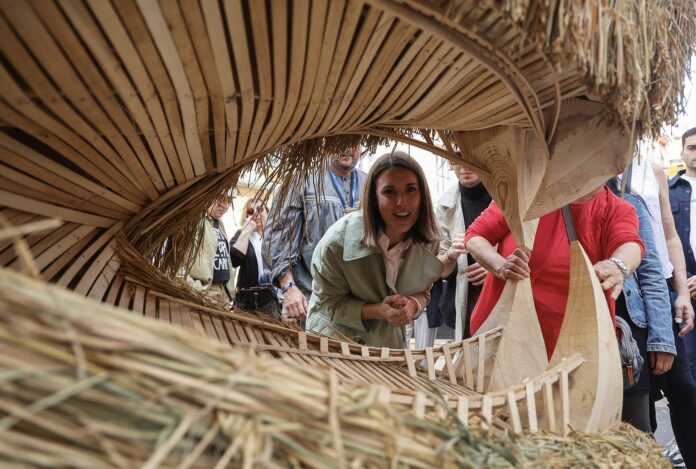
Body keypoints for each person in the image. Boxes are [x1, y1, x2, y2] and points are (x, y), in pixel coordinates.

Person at [465, 184, 644, 359]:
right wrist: (500, 266)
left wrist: (618, 265)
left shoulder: (617, 208)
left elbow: (630, 243)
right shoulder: (524, 196)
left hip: (575, 348)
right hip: (504, 337)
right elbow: (475, 236)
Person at [305, 152, 463, 348]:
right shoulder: (337, 244)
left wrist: (412, 305)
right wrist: (377, 310)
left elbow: (424, 291)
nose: (401, 202)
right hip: (337, 348)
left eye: (410, 190)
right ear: (373, 197)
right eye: (389, 192)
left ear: (422, 194)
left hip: (388, 350)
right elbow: (327, 304)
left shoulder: (428, 241)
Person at [264, 146, 367, 324]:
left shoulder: (371, 184)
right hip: (312, 302)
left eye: (355, 143)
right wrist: (288, 287)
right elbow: (278, 236)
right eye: (342, 141)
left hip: (361, 304)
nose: (348, 148)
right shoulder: (303, 180)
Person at [607, 179, 675, 434]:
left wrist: (661, 340)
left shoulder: (629, 203)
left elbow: (651, 274)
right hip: (578, 325)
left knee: (637, 430)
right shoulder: (554, 206)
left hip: (627, 333)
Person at [415, 158, 490, 348]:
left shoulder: (504, 197)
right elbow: (440, 269)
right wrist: (451, 254)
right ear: (449, 162)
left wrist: (495, 265)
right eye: (456, 158)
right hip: (463, 302)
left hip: (499, 298)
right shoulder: (444, 204)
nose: (465, 165)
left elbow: (524, 246)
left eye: (470, 157)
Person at [182, 193, 235, 305]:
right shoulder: (194, 222)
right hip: (206, 292)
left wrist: (228, 293)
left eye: (229, 201)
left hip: (223, 293)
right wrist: (196, 289)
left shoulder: (220, 224)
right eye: (221, 199)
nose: (225, 206)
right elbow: (176, 265)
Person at [230, 198, 279, 317]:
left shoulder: (276, 237)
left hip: (271, 300)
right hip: (246, 301)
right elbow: (234, 260)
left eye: (260, 209)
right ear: (247, 215)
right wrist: (247, 229)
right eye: (251, 211)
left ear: (268, 212)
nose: (256, 214)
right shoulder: (242, 234)